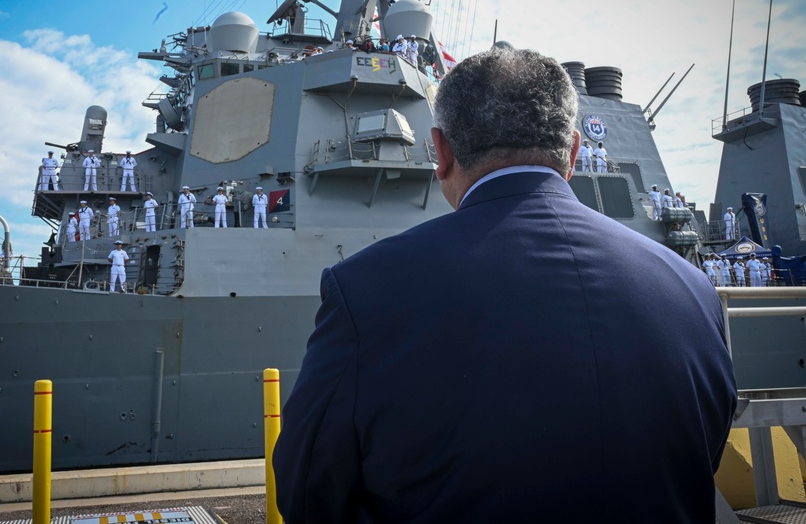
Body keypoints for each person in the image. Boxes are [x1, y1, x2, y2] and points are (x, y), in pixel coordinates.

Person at [273, 47, 736, 523]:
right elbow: (703, 455)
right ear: (573, 151)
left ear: (442, 150)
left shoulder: (363, 289)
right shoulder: (693, 288)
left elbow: (308, 493)